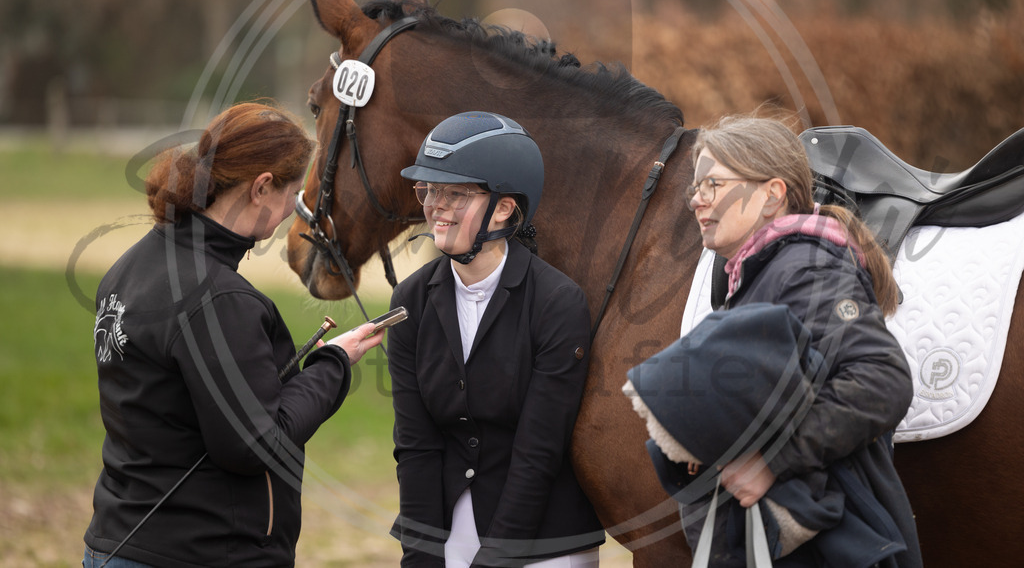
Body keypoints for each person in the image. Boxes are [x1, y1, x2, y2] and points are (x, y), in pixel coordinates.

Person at [83, 102, 382, 567]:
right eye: (291, 195)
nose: (291, 213)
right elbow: (255, 445)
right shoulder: (221, 300)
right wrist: (333, 367)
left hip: (119, 545)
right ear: (261, 187)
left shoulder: (129, 267)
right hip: (198, 554)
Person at [637, 114, 922, 566]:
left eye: (713, 184)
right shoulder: (764, 271)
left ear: (772, 195)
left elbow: (882, 381)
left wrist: (770, 461)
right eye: (695, 187)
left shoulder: (806, 268)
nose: (696, 200)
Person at [387, 111, 605, 567]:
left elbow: (538, 452)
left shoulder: (557, 302)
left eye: (455, 193)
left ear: (504, 208)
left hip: (543, 540)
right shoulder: (410, 300)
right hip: (448, 526)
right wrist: (421, 557)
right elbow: (416, 446)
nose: (436, 206)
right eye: (430, 190)